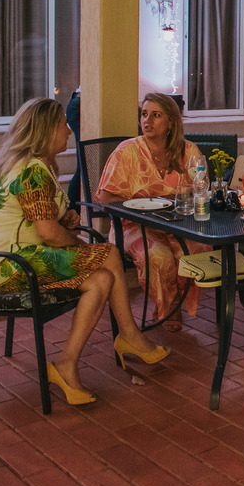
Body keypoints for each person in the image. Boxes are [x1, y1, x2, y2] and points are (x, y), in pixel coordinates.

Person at [0, 98, 169, 406]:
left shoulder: (36, 165)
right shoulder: (30, 171)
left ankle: (66, 364)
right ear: (45, 131)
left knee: (101, 280)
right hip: (12, 266)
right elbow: (48, 234)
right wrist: (80, 246)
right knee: (108, 254)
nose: (69, 130)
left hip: (24, 258)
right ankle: (129, 336)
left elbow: (40, 220)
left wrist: (64, 218)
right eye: (63, 125)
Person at [96, 92, 211, 332]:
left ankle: (176, 298)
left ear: (171, 122)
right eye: (144, 114)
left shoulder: (189, 151)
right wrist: (141, 206)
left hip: (177, 223)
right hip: (132, 225)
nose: (147, 120)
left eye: (156, 115)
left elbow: (201, 188)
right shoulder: (126, 151)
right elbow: (106, 197)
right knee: (158, 256)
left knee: (196, 249)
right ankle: (169, 306)